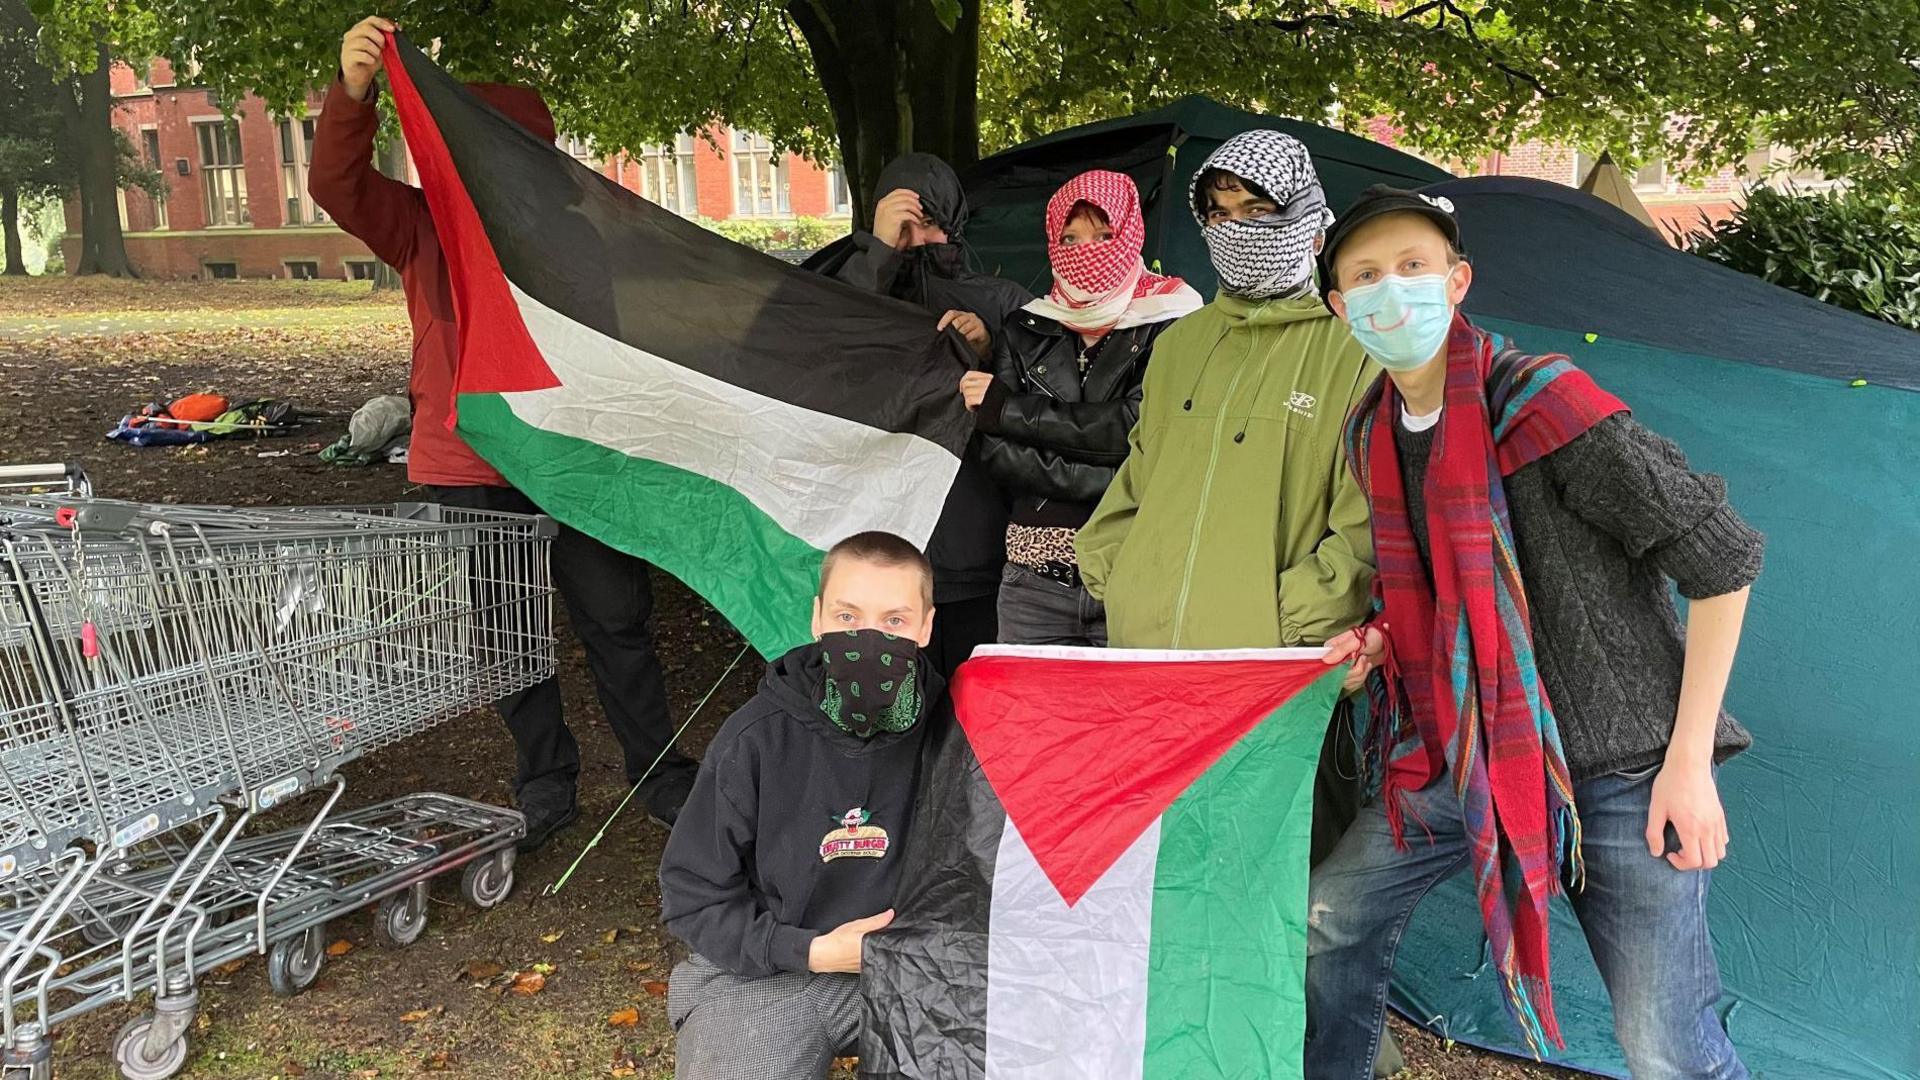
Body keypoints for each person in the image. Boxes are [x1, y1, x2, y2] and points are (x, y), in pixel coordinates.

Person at [1310, 186, 1762, 1079]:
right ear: (1338, 305)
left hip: (1627, 774)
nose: (1389, 292)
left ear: (1459, 280)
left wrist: (1688, 766)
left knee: (1665, 1045)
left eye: (1412, 267)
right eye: (1364, 276)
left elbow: (1724, 563)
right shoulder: (1372, 433)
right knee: (1328, 919)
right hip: (1466, 754)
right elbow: (1442, 594)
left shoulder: (1548, 406)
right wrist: (1376, 642)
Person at [311, 16, 697, 847]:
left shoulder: (578, 238)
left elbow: (612, 350)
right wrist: (353, 95)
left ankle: (659, 770)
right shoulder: (420, 224)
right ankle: (546, 779)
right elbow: (339, 188)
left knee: (615, 619)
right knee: (508, 636)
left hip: (571, 456)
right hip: (469, 461)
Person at [658, 532, 942, 1079]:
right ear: (816, 619)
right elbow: (692, 895)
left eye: (895, 622)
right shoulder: (756, 739)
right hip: (776, 969)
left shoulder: (958, 733)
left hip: (918, 971)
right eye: (847, 616)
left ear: (926, 627)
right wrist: (809, 952)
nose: (869, 639)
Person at [806, 154, 1031, 676]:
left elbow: (1042, 401)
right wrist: (879, 254)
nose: (913, 236)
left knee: (973, 707)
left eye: (927, 222)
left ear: (952, 223)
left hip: (977, 546)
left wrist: (989, 350)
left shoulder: (1000, 300)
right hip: (879, 550)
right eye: (900, 219)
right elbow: (821, 359)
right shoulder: (842, 291)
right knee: (892, 705)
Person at [961, 170, 1202, 645]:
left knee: (1133, 719)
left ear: (1131, 232)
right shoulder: (1027, 325)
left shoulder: (1173, 320)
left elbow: (1138, 430)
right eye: (1070, 237)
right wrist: (1116, 471)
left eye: (1104, 235)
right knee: (1030, 718)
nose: (1087, 250)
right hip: (1033, 584)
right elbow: (998, 456)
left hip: (1138, 573)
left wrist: (1011, 412)